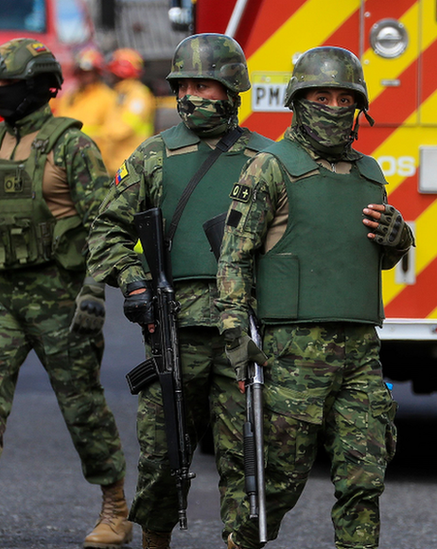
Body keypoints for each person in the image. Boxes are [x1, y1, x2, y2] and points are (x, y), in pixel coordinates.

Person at [0, 38, 132, 549]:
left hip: (59, 295)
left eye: (9, 86)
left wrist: (95, 290)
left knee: (82, 404)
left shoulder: (73, 146)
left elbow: (106, 223)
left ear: (40, 88)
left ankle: (116, 509)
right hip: (3, 296)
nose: (0, 95)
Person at [214, 46, 414, 549]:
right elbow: (234, 257)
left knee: (365, 475)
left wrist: (399, 237)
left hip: (360, 350)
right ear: (298, 102)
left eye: (343, 98)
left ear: (358, 106)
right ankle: (242, 541)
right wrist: (236, 333)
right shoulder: (270, 167)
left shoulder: (371, 174)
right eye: (320, 96)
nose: (333, 107)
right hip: (292, 352)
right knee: (279, 480)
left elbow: (377, 258)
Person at [87, 33, 274, 549]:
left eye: (205, 85)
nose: (192, 96)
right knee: (163, 451)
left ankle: (243, 540)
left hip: (244, 330)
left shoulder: (268, 160)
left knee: (247, 452)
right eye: (184, 85)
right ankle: (155, 539)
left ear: (232, 90)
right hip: (173, 327)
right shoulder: (154, 154)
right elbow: (107, 232)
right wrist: (134, 282)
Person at [55, 46, 117, 157]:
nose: (84, 76)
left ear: (97, 73)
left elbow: (111, 133)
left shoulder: (108, 98)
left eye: (88, 72)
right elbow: (59, 121)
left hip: (95, 158)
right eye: (81, 72)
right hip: (67, 156)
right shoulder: (70, 96)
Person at [101, 48, 155, 173]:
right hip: (117, 165)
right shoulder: (121, 94)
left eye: (112, 71)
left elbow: (123, 128)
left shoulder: (138, 96)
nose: (109, 75)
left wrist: (98, 137)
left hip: (132, 166)